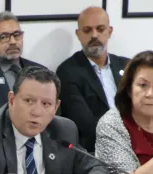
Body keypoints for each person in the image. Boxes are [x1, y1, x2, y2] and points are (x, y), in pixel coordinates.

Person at [56, 6, 131, 153]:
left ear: (110, 31)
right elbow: (85, 124)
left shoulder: (128, 66)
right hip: (95, 150)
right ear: (78, 34)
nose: (94, 35)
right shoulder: (68, 72)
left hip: (136, 144)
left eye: (100, 29)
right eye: (87, 30)